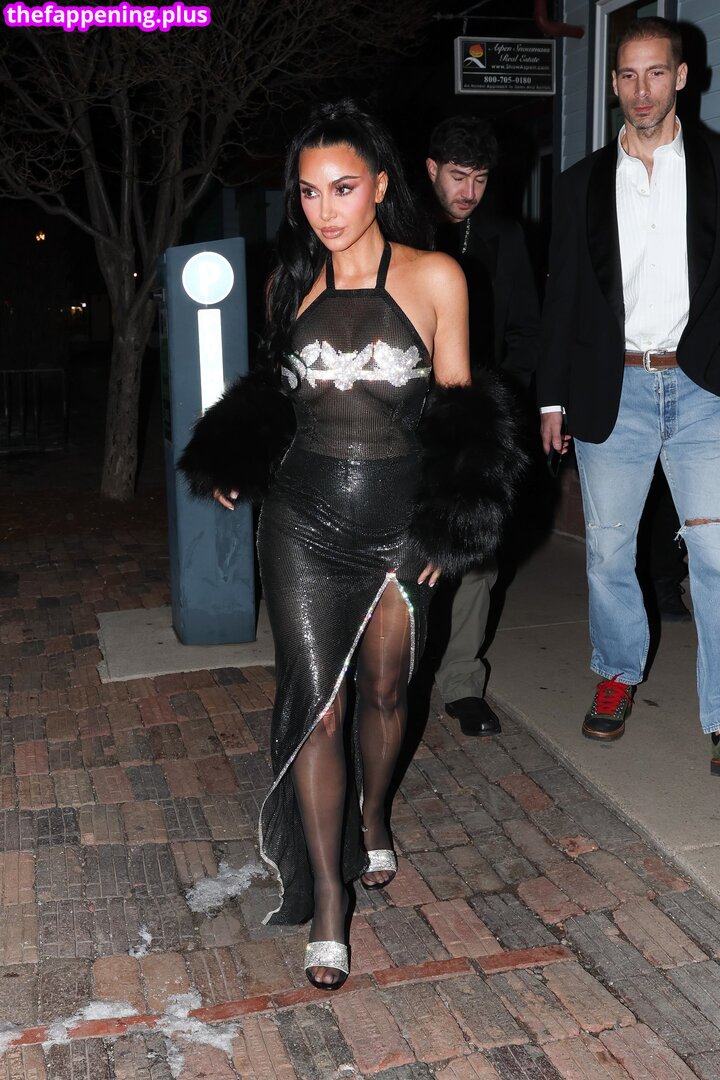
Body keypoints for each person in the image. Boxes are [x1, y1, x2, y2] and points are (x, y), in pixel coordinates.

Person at [179, 101, 525, 990]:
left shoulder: (437, 277)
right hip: (301, 523)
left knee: (384, 690)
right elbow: (276, 394)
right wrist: (233, 452)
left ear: (378, 185)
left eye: (341, 188)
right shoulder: (289, 282)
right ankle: (329, 902)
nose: (325, 209)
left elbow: (463, 412)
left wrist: (453, 521)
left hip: (399, 522)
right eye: (308, 192)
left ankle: (374, 816)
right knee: (319, 706)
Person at [538, 17, 720, 768]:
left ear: (682, 77)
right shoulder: (581, 184)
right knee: (609, 552)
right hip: (614, 386)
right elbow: (563, 299)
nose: (640, 90)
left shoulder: (717, 167)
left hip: (704, 389)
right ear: (614, 82)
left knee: (716, 553)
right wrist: (551, 398)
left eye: (655, 73)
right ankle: (616, 674)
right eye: (626, 75)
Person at [426, 116, 540, 736]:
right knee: (403, 551)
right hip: (407, 416)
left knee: (477, 554)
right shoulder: (400, 231)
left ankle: (462, 682)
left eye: (480, 178)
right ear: (431, 170)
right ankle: (397, 671)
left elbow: (525, 329)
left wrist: (505, 410)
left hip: (479, 419)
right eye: (457, 175)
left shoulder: (504, 236)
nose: (468, 191)